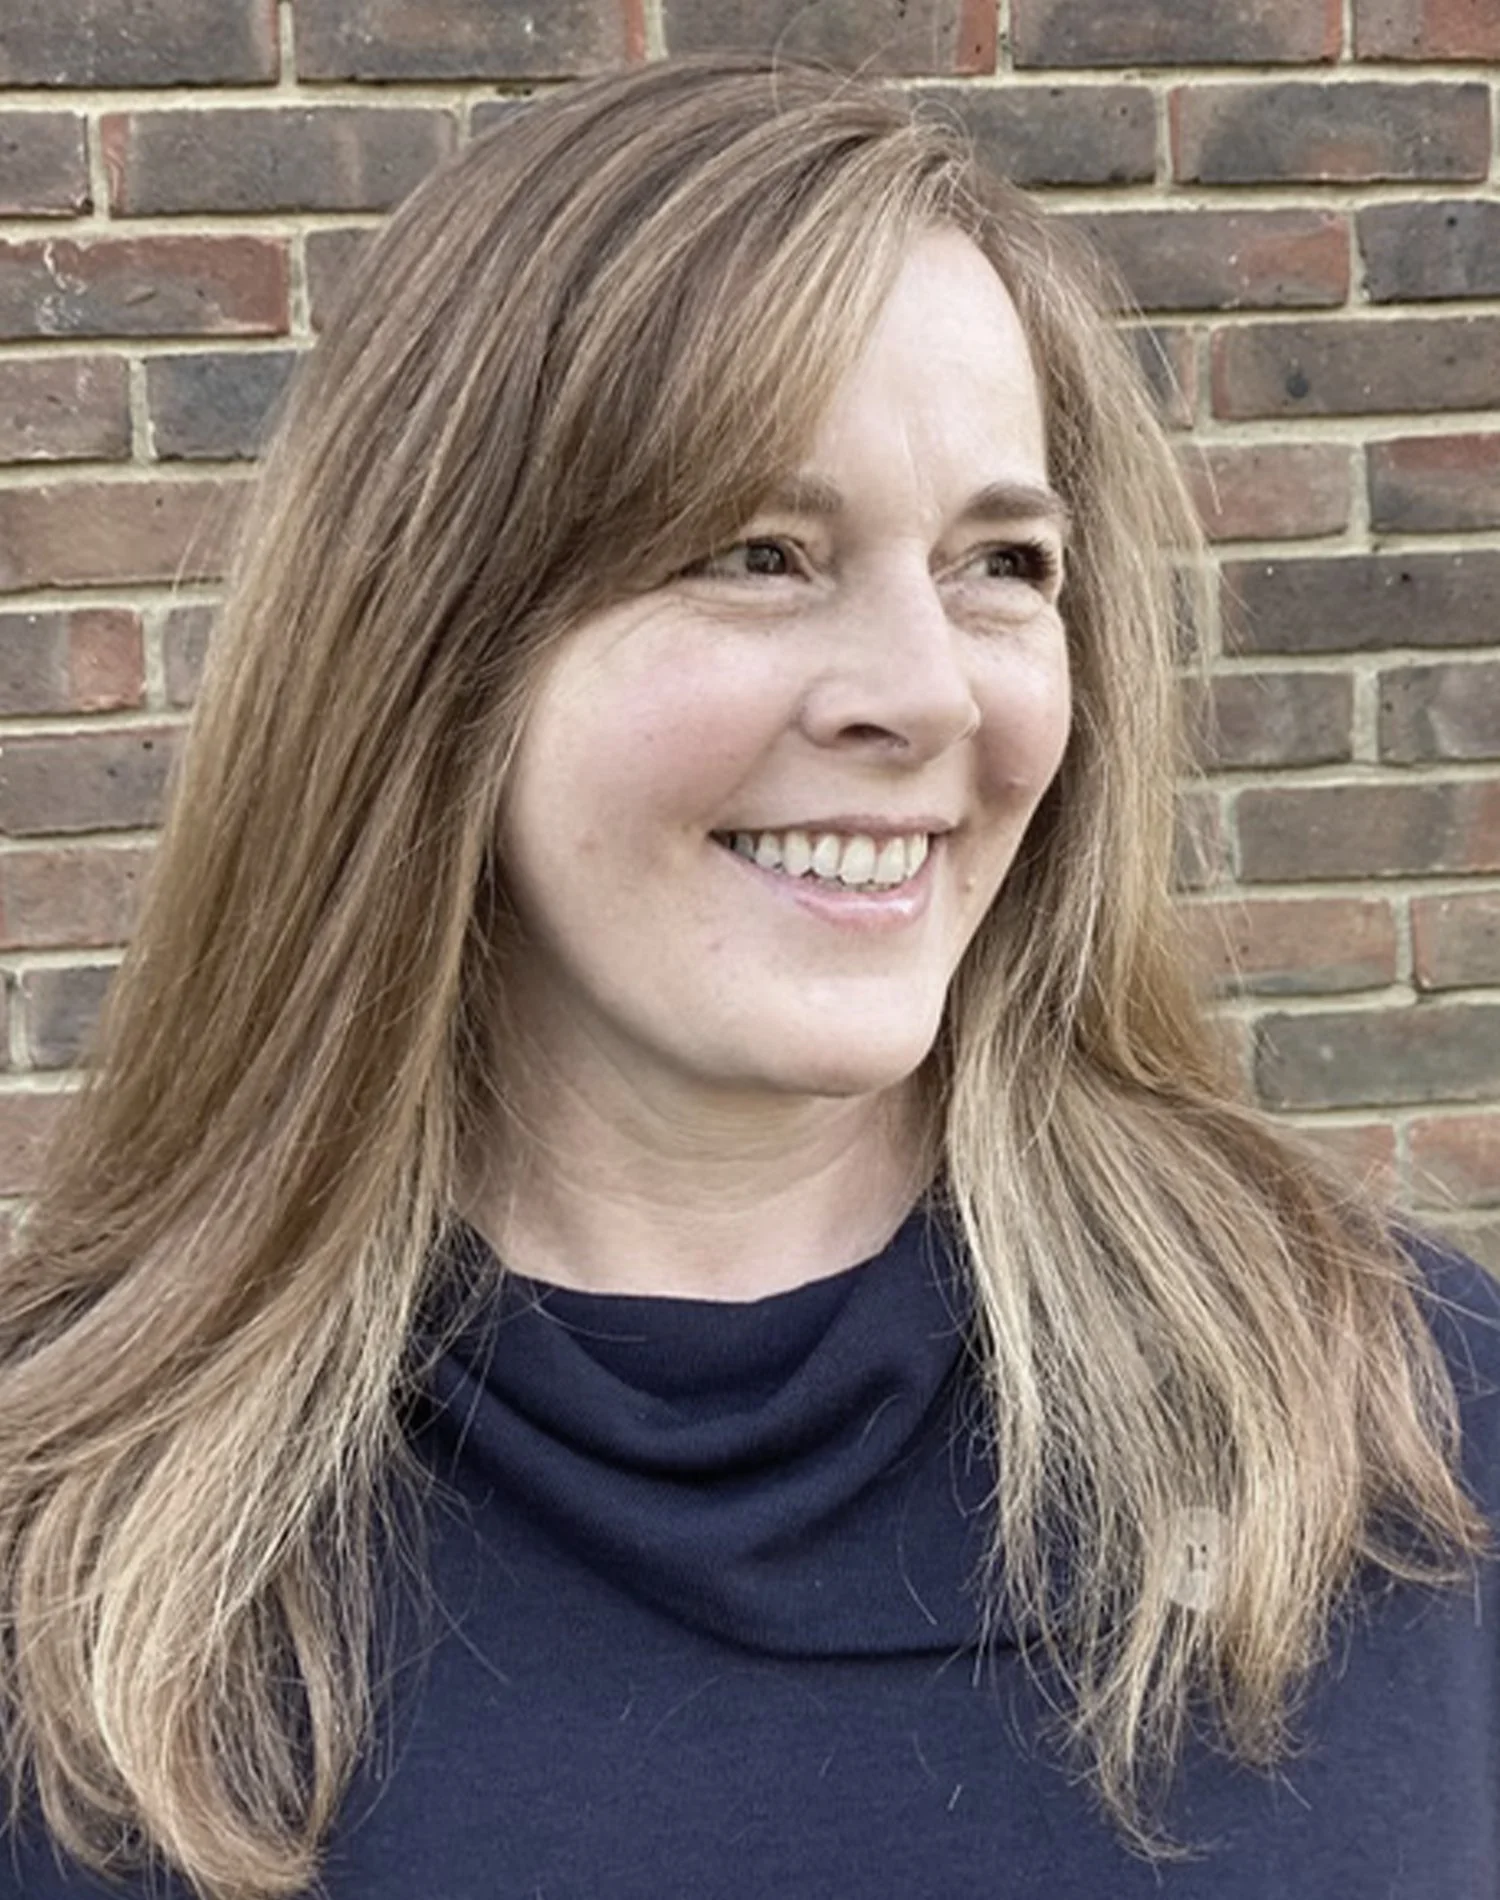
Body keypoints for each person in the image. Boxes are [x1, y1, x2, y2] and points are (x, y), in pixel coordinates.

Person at [0, 55, 1494, 1900]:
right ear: (428, 650)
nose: (930, 692)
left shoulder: (1409, 1429)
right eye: (761, 553)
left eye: (1002, 564)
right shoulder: (65, 1556)